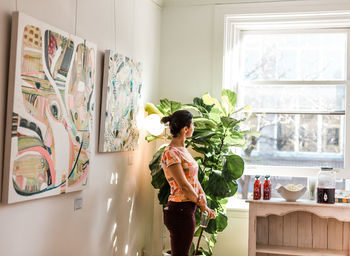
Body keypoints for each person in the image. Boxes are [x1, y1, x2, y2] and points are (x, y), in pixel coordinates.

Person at [160, 109, 216, 256]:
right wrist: (201, 203)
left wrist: (203, 200)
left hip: (187, 208)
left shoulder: (183, 150)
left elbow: (194, 180)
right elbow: (184, 185)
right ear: (185, 129)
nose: (194, 128)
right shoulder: (171, 153)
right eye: (193, 125)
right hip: (179, 210)